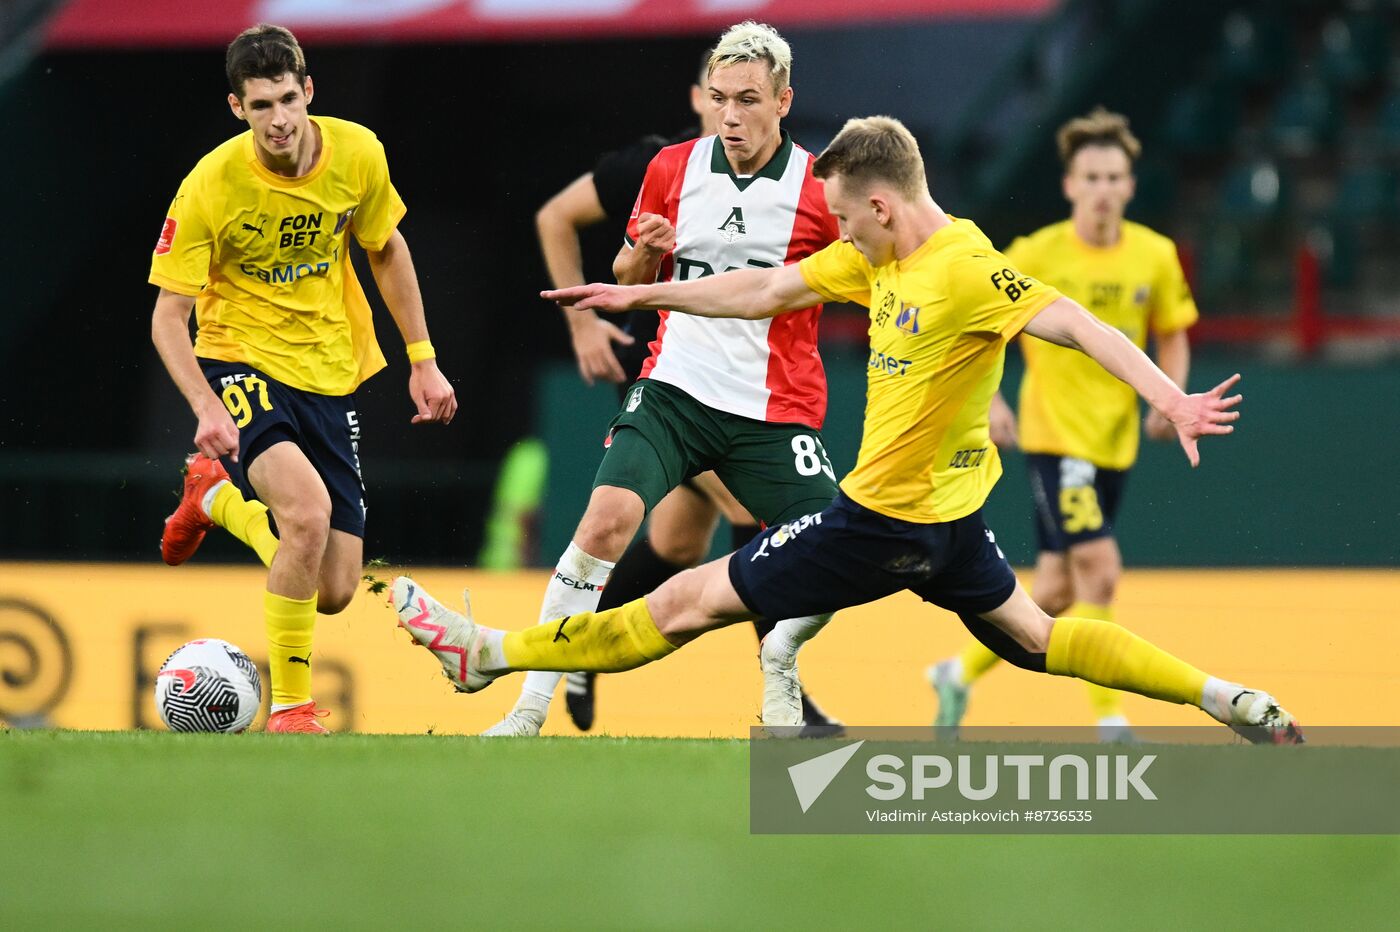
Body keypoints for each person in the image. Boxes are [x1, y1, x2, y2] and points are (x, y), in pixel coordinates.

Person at [392, 115, 1303, 745]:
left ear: (881, 206)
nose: (838, 238)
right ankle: (1226, 698)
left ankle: (489, 658)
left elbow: (1083, 325)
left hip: (877, 525)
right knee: (1039, 637)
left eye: (844, 218)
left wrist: (1171, 399)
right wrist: (644, 291)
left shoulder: (967, 268)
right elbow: (762, 290)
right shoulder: (877, 257)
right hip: (949, 528)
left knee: (680, 605)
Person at [479, 20, 844, 737]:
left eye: (747, 99)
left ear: (784, 101)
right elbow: (626, 274)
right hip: (674, 387)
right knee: (606, 520)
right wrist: (640, 259)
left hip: (772, 406)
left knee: (820, 552)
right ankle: (529, 707)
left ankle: (778, 667)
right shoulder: (669, 167)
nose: (730, 115)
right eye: (720, 98)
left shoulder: (821, 188)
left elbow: (875, 279)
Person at [150, 24, 456, 734]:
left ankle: (215, 500)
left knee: (336, 588)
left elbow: (386, 248)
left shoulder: (357, 153)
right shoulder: (210, 185)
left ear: (309, 90)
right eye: (261, 106)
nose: (279, 120)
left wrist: (423, 357)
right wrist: (204, 403)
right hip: (240, 357)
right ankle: (290, 708)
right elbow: (169, 317)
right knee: (309, 516)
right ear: (237, 107)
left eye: (288, 99)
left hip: (329, 369)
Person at [929, 108, 1199, 742]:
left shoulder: (1154, 255)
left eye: (1115, 177)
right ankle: (1109, 720)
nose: (1104, 189)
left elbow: (1173, 330)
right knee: (1099, 572)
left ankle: (956, 673)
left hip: (1115, 440)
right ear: (1070, 185)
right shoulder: (1037, 253)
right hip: (1055, 438)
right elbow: (982, 323)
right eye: (1092, 177)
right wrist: (992, 401)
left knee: (1052, 587)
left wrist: (1171, 396)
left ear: (1131, 186)